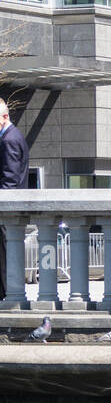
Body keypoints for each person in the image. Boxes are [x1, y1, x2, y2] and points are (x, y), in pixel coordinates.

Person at [0, 98, 30, 299]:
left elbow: (9, 180)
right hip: (9, 212)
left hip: (6, 212)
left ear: (4, 116)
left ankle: (4, 296)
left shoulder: (9, 139)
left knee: (3, 257)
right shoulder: (12, 136)